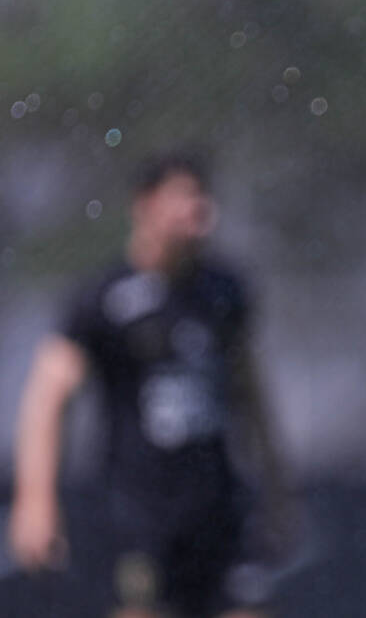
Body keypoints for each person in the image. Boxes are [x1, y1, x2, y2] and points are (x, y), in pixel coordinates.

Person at [7, 150, 285, 618]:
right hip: (138, 514)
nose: (198, 210)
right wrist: (34, 500)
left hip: (219, 510)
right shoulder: (103, 299)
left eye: (203, 198)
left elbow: (251, 393)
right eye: (183, 198)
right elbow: (47, 399)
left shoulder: (224, 292)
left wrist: (277, 487)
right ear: (145, 205)